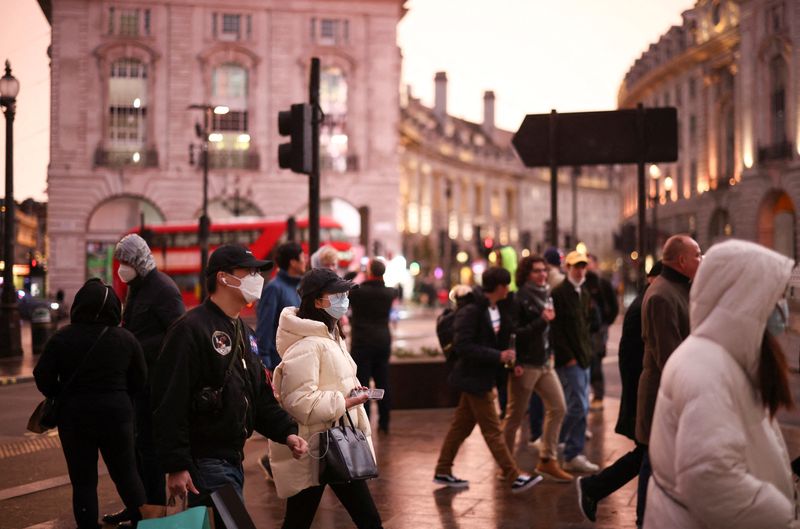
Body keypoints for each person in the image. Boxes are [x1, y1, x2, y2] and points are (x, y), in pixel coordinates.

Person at [644, 240, 796, 528]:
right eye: (773, 296)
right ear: (744, 298)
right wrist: (781, 514)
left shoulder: (726, 359)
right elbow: (709, 479)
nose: (780, 308)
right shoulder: (705, 369)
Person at [151, 245, 307, 509]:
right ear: (223, 277)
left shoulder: (245, 333)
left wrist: (287, 433)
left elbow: (259, 396)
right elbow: (170, 401)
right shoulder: (190, 329)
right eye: (249, 271)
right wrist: (177, 465)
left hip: (233, 460)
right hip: (204, 464)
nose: (257, 278)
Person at [269, 267, 383, 529]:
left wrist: (352, 390)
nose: (345, 299)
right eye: (338, 294)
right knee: (367, 520)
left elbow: (331, 380)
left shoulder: (330, 336)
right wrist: (345, 401)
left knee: (301, 521)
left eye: (345, 294)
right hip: (317, 448)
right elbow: (299, 402)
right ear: (318, 300)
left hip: (334, 443)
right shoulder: (308, 344)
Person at [33, 278, 147, 529]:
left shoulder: (62, 338)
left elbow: (42, 376)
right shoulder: (126, 339)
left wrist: (59, 392)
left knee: (83, 481)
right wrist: (121, 395)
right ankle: (144, 523)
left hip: (75, 416)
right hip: (117, 415)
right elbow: (140, 380)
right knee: (127, 474)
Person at [432, 267, 542, 494]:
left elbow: (496, 342)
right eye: (507, 286)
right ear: (501, 287)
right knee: (492, 430)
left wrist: (511, 362)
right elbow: (463, 346)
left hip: (481, 376)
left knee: (460, 428)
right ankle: (513, 475)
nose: (509, 290)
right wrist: (498, 356)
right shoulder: (472, 310)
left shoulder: (493, 307)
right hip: (473, 378)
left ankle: (443, 469)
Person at [102, 234, 185, 525]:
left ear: (138, 260)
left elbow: (176, 336)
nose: (122, 267)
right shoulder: (134, 287)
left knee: (149, 451)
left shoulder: (163, 289)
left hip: (155, 383)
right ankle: (138, 507)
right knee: (135, 449)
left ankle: (154, 514)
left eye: (126, 260)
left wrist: (138, 346)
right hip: (136, 381)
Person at [577, 261, 662, 524]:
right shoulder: (647, 305)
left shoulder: (646, 302)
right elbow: (636, 360)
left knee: (649, 453)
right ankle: (635, 512)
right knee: (648, 453)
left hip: (642, 396)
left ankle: (595, 488)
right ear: (653, 278)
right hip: (644, 396)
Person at [636, 234, 701, 521]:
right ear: (682, 260)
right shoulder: (662, 295)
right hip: (662, 394)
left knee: (658, 461)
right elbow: (668, 356)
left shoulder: (679, 288)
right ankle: (642, 520)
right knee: (653, 461)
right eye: (697, 254)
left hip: (671, 392)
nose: (701, 259)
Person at [502, 255, 572, 482]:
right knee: (515, 416)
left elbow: (547, 331)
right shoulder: (518, 298)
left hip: (543, 362)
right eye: (536, 271)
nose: (542, 274)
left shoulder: (546, 295)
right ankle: (505, 464)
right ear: (526, 275)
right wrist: (542, 320)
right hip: (526, 364)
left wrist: (550, 350)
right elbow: (514, 334)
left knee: (559, 407)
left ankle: (547, 460)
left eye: (544, 270)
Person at [550, 251, 599, 474]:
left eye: (583, 266)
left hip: (583, 356)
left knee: (577, 404)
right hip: (571, 359)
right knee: (580, 405)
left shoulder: (584, 292)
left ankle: (559, 441)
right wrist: (567, 356)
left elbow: (588, 324)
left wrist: (588, 350)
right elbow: (556, 330)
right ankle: (571, 452)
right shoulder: (560, 293)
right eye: (575, 267)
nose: (580, 270)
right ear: (567, 268)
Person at [349, 259, 398, 433]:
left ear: (369, 271)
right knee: (382, 381)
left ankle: (365, 423)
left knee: (362, 384)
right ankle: (384, 423)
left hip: (362, 343)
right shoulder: (390, 292)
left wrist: (355, 271)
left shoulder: (357, 292)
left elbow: (345, 284)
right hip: (383, 341)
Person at [256, 241, 306, 370]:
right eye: (302, 257)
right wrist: (266, 361)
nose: (305, 260)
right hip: (279, 362)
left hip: (298, 359)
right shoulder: (274, 288)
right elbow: (265, 326)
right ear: (293, 262)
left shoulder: (300, 287)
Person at [584, 254, 618, 411]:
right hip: (585, 328)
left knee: (596, 361)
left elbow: (613, 306)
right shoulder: (582, 283)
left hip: (599, 329)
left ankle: (598, 395)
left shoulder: (603, 283)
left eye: (589, 263)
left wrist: (606, 323)